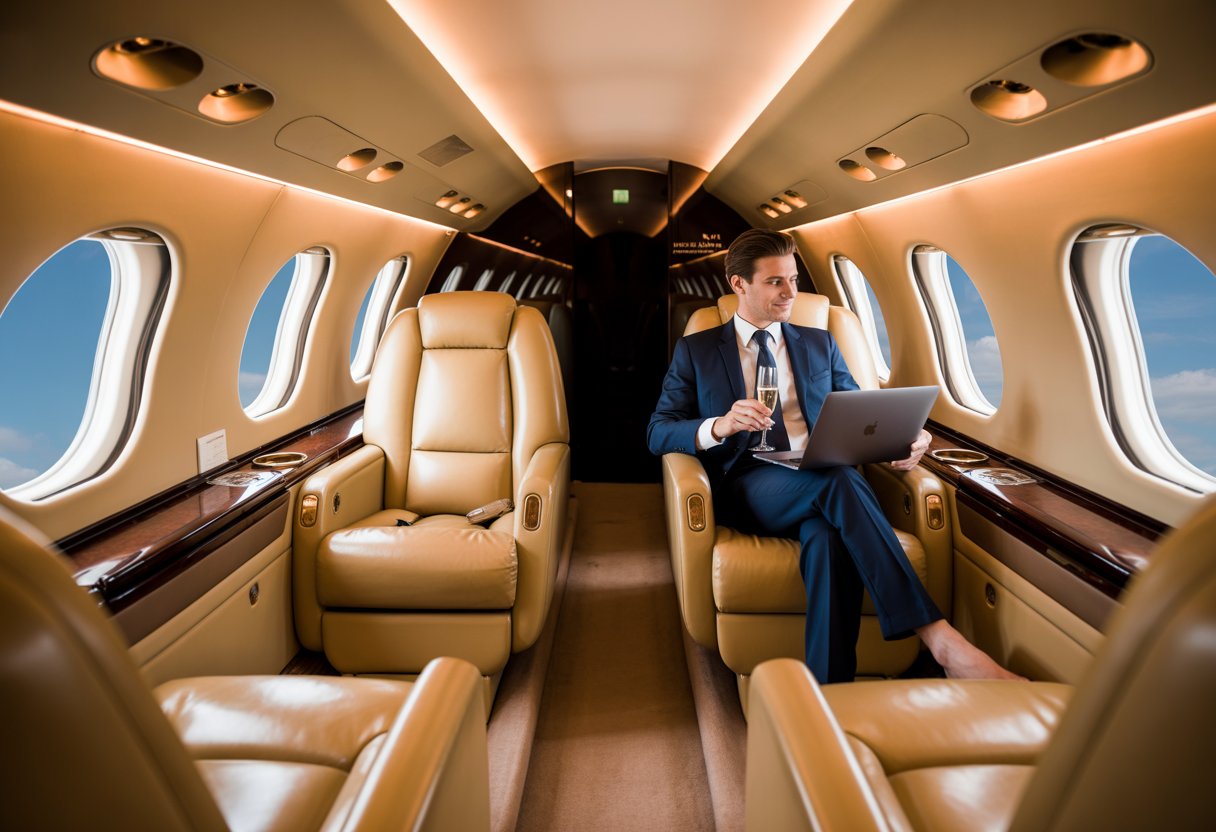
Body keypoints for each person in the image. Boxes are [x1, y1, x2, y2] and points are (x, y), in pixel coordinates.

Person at [647, 228, 1020, 683]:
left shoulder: (818, 342)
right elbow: (659, 431)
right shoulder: (699, 349)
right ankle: (941, 640)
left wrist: (907, 435)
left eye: (793, 279)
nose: (790, 293)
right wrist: (719, 425)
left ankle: (829, 689)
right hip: (750, 481)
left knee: (825, 540)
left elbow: (862, 413)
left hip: (817, 472)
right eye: (774, 282)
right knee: (840, 481)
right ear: (738, 284)